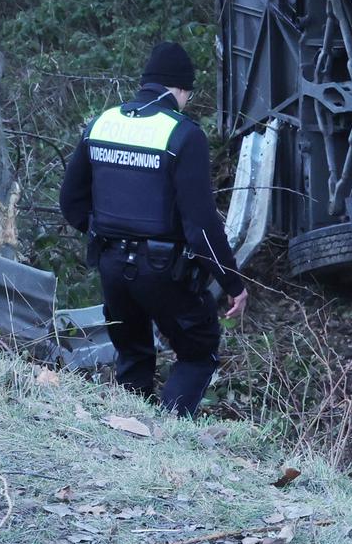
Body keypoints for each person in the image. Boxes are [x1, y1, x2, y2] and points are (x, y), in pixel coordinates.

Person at [58, 40, 248, 414]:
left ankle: (133, 435)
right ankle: (170, 434)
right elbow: (202, 225)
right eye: (187, 95)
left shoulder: (101, 124)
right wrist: (232, 283)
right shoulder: (182, 134)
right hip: (164, 270)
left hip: (111, 265)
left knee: (133, 352)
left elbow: (70, 203)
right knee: (199, 349)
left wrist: (104, 234)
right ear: (179, 89)